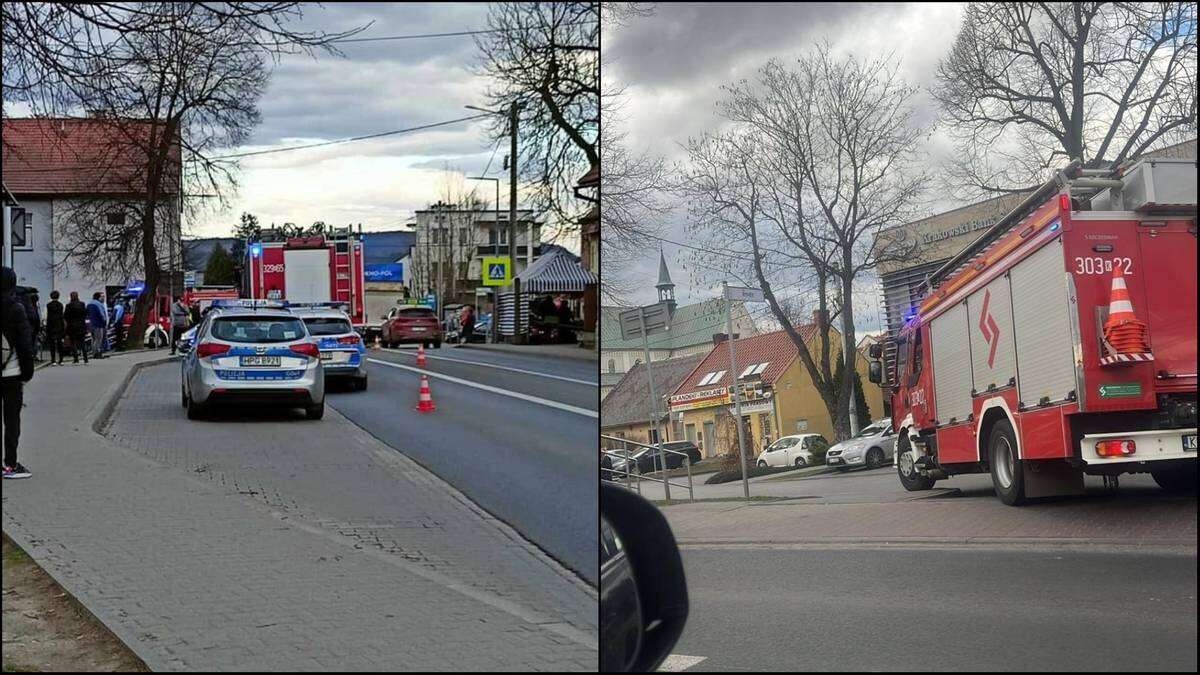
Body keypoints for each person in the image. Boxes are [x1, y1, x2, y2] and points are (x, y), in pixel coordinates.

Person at [2, 267, 36, 479]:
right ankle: (10, 465)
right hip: (11, 374)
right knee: (11, 420)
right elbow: (24, 345)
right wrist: (27, 373)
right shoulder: (16, 308)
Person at [64, 291, 89, 364]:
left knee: (73, 343)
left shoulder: (68, 305)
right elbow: (85, 314)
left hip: (72, 326)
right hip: (81, 325)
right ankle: (85, 359)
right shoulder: (82, 304)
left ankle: (76, 359)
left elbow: (66, 316)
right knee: (82, 343)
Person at [86, 292, 108, 359]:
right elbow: (102, 314)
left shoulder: (89, 304)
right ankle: (97, 353)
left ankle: (93, 352)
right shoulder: (99, 304)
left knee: (93, 339)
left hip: (91, 324)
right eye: (101, 297)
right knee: (98, 339)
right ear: (98, 297)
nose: (103, 298)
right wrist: (104, 322)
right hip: (98, 324)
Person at [45, 291, 66, 365]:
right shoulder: (60, 305)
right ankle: (61, 359)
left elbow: (48, 317)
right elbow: (61, 316)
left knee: (52, 344)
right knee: (60, 344)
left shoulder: (48, 305)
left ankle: (53, 360)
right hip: (59, 325)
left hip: (51, 325)